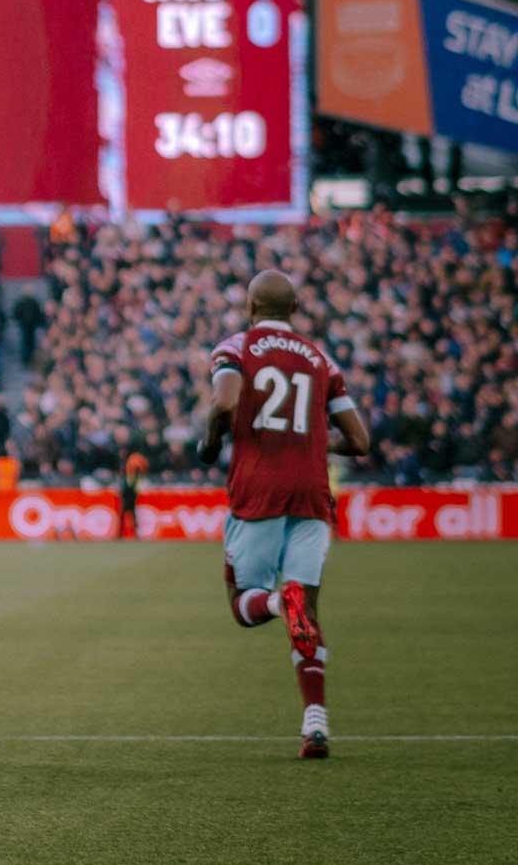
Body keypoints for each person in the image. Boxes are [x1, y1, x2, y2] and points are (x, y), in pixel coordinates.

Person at [198, 270, 370, 760]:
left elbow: (225, 402)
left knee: (243, 603)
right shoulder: (321, 359)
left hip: (260, 489)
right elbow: (360, 441)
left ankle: (277, 604)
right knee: (307, 611)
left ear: (251, 307)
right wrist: (314, 442)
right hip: (312, 492)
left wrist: (210, 441)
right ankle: (315, 724)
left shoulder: (236, 347)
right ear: (294, 308)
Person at [118, 451, 147, 540]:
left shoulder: (133, 476)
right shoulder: (131, 476)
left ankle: (126, 534)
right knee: (126, 517)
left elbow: (130, 488)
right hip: (128, 499)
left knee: (128, 517)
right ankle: (121, 534)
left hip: (130, 499)